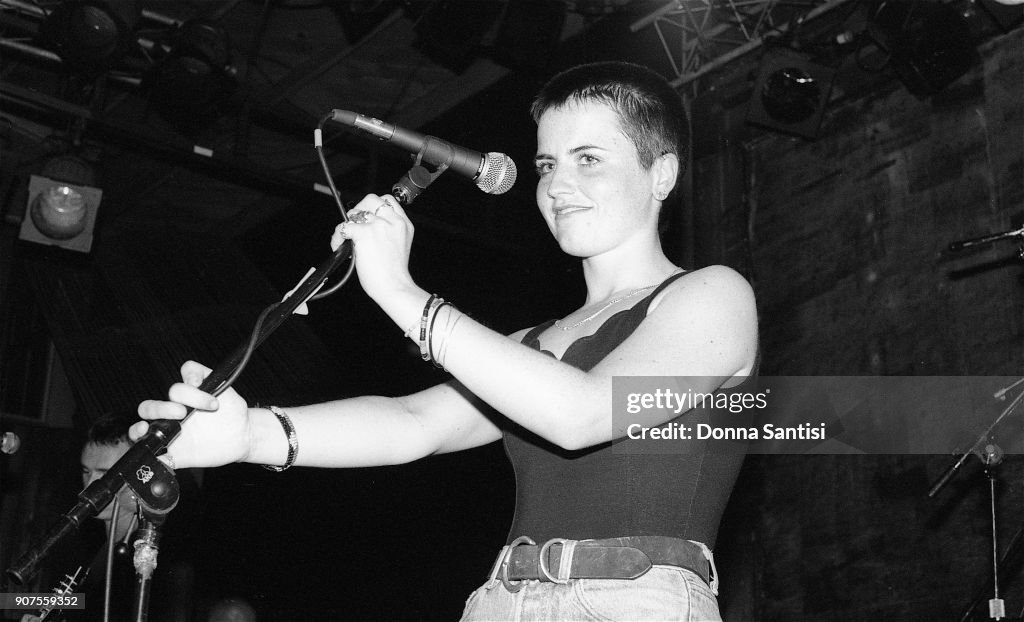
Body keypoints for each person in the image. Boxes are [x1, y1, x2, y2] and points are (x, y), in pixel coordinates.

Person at [135, 61, 758, 621]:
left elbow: (585, 413)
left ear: (662, 174)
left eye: (587, 158)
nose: (555, 185)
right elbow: (414, 422)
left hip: (633, 602)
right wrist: (250, 436)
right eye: (547, 164)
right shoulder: (532, 345)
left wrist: (403, 296)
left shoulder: (713, 296)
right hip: (499, 601)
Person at [21, 412, 196, 622]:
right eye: (86, 471)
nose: (89, 486)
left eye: (105, 475)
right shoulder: (93, 542)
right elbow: (78, 603)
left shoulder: (157, 561)